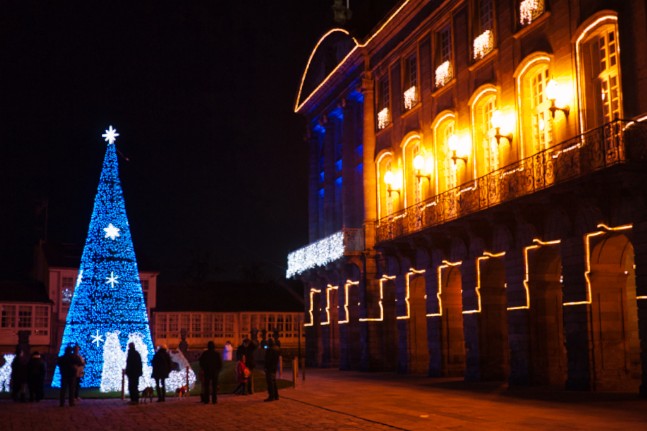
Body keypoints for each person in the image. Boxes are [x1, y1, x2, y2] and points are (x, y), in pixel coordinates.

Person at [263, 337, 280, 402]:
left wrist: (265, 367)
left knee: (270, 383)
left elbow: (267, 360)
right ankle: (276, 395)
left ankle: (271, 396)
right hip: (274, 367)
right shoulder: (277, 348)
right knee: (274, 382)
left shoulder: (270, 350)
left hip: (269, 368)